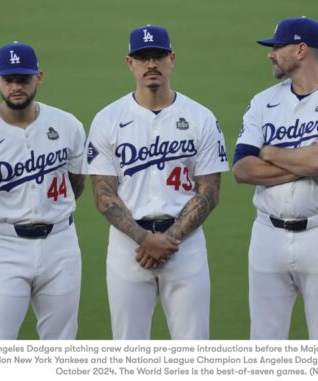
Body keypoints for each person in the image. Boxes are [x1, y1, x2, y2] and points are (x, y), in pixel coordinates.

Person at [86, 25, 229, 339]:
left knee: (193, 348)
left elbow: (210, 191)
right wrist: (144, 238)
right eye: (142, 57)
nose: (151, 63)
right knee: (128, 349)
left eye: (158, 56)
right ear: (130, 63)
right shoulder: (107, 119)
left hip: (185, 246)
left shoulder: (201, 118)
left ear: (172, 59)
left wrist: (169, 238)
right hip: (128, 247)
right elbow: (102, 193)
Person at [233, 17, 318, 339]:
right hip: (267, 234)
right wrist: (306, 157)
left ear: (301, 50)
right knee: (263, 343)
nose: (271, 53)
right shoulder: (263, 101)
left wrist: (270, 152)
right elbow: (242, 170)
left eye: (278, 47)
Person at [0, 42, 86, 340]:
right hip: (4, 249)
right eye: (9, 79)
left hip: (61, 244)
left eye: (23, 79)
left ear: (38, 77)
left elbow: (76, 181)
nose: (16, 86)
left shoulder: (68, 126)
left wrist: (53, 211)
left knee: (62, 341)